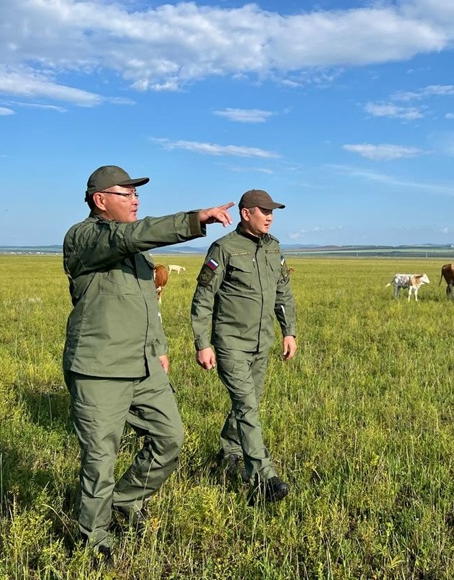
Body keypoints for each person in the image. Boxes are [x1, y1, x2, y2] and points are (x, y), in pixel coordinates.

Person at [62, 165, 234, 559]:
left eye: (136, 194)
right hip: (99, 367)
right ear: (100, 200)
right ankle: (93, 539)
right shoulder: (84, 237)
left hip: (142, 364)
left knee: (169, 437)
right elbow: (130, 235)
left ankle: (123, 501)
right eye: (126, 194)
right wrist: (195, 219)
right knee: (100, 459)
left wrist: (159, 346)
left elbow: (145, 305)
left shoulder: (134, 253)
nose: (136, 199)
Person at [190, 189, 297, 503]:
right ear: (245, 212)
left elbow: (283, 293)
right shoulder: (223, 248)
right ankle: (265, 478)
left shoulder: (274, 248)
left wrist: (288, 332)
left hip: (262, 342)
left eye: (272, 211)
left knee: (248, 404)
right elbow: (203, 299)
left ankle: (230, 452)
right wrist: (202, 343)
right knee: (247, 406)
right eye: (263, 210)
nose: (269, 216)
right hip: (231, 343)